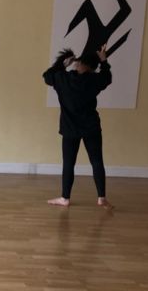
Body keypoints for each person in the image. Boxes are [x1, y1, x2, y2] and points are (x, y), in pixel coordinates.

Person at [43, 45, 113, 209]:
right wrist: (104, 60)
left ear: (79, 63)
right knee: (97, 161)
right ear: (93, 68)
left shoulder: (62, 78)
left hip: (70, 128)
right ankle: (101, 197)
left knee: (69, 163)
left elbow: (46, 76)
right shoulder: (94, 80)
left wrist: (62, 64)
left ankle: (65, 198)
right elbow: (107, 77)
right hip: (91, 127)